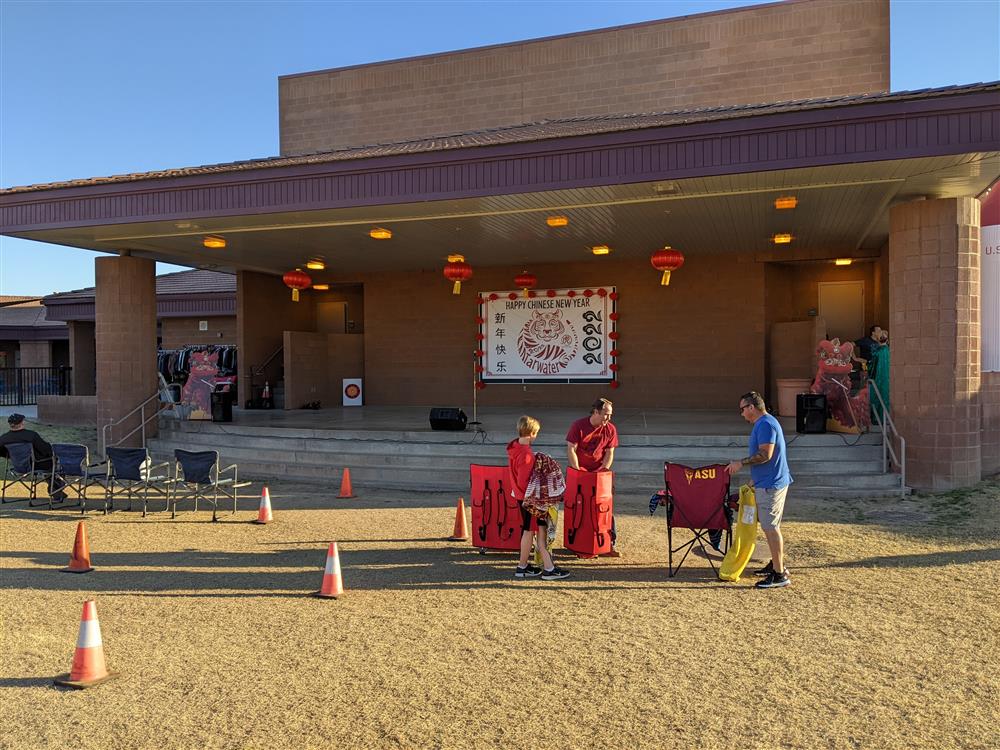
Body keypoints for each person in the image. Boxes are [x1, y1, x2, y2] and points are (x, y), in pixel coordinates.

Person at [725, 392, 792, 589]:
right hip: (766, 481)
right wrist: (755, 480)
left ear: (752, 407)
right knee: (769, 524)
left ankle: (780, 574)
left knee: (770, 527)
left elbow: (765, 454)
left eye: (743, 409)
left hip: (772, 484)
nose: (742, 413)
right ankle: (776, 564)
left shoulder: (765, 425)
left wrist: (740, 463)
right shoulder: (764, 423)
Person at [508, 416, 569, 581]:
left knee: (528, 531)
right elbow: (525, 481)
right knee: (538, 532)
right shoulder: (526, 454)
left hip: (520, 497)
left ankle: (523, 567)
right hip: (530, 499)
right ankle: (548, 568)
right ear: (532, 433)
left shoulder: (514, 448)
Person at [565, 397, 620, 556]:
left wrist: (603, 470)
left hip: (599, 473)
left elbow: (610, 452)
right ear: (596, 411)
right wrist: (578, 472)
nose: (608, 418)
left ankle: (609, 543)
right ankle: (577, 542)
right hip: (580, 472)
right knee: (579, 507)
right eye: (606, 414)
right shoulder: (578, 426)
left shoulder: (610, 429)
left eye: (610, 415)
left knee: (605, 508)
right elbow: (571, 450)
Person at [0, 413, 66, 502]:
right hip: (36, 465)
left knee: (50, 463)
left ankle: (57, 492)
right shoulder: (31, 435)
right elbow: (46, 450)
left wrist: (12, 456)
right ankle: (56, 492)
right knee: (55, 464)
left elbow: (2, 452)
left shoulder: (4, 438)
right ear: (22, 423)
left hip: (18, 466)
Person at [869, 328, 890, 424]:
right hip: (888, 379)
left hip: (878, 378)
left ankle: (877, 419)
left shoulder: (877, 352)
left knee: (877, 396)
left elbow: (872, 367)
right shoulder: (889, 351)